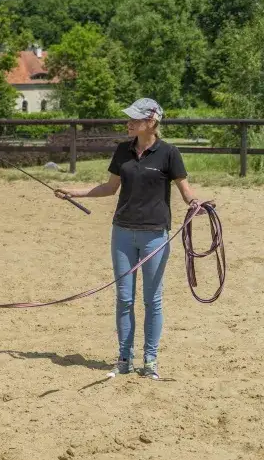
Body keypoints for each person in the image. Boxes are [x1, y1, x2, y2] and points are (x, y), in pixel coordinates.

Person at [54, 98, 210, 380]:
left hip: (155, 236)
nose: (129, 123)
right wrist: (74, 192)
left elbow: (185, 190)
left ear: (151, 123)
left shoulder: (169, 153)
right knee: (124, 299)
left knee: (152, 300)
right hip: (122, 233)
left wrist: (195, 204)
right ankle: (124, 358)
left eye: (135, 120)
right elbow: (110, 188)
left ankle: (150, 360)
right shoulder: (122, 152)